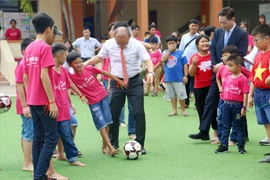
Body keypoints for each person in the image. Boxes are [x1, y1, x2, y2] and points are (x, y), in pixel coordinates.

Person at [84, 21, 154, 154]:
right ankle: (113, 143)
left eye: (124, 43)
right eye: (119, 43)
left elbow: (147, 60)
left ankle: (140, 144)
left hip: (134, 81)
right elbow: (99, 58)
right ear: (113, 36)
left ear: (130, 36)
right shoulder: (109, 45)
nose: (121, 45)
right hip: (117, 82)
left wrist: (150, 72)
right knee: (113, 113)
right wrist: (85, 63)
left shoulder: (137, 45)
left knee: (138, 112)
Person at [189, 7, 248, 141]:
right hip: (218, 74)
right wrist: (216, 65)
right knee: (210, 101)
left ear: (233, 20)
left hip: (235, 73)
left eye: (224, 22)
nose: (221, 25)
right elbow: (214, 49)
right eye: (220, 22)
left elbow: (241, 53)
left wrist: (224, 63)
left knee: (237, 104)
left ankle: (243, 134)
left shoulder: (241, 33)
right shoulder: (218, 32)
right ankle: (204, 130)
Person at [23, 13, 68, 180]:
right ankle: (40, 176)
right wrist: (52, 101)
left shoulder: (29, 48)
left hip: (33, 100)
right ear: (49, 29)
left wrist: (29, 99)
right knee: (51, 138)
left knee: (38, 138)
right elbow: (44, 76)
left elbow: (26, 77)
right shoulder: (44, 48)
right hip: (44, 101)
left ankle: (38, 174)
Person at [67, 51, 126, 156]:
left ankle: (104, 146)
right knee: (101, 124)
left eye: (80, 62)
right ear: (70, 65)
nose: (79, 64)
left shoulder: (89, 68)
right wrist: (81, 95)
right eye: (76, 63)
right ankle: (111, 147)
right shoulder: (71, 76)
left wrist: (117, 79)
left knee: (107, 122)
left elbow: (103, 73)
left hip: (103, 96)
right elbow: (71, 85)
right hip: (93, 102)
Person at [51, 42, 86, 166]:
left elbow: (68, 85)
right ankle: (46, 161)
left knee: (67, 134)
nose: (66, 58)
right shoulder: (48, 71)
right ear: (59, 56)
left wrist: (75, 99)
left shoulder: (63, 70)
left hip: (64, 108)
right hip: (52, 110)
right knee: (49, 137)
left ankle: (72, 158)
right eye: (65, 55)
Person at [215, 55, 249, 154]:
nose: (228, 68)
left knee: (239, 126)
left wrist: (244, 107)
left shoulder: (242, 79)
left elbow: (245, 94)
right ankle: (224, 145)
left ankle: (241, 146)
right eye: (227, 65)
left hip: (237, 106)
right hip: (226, 105)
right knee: (225, 126)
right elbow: (224, 92)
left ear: (239, 66)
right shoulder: (228, 78)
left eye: (231, 65)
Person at [247, 24, 270, 163]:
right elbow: (254, 77)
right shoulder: (257, 55)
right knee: (266, 123)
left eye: (257, 40)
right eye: (253, 41)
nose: (254, 43)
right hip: (259, 94)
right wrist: (250, 95)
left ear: (267, 38)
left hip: (268, 93)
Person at [15, 38, 34, 172]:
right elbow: (19, 86)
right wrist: (25, 106)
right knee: (30, 132)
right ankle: (27, 163)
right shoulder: (22, 65)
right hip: (26, 103)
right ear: (23, 51)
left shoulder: (26, 64)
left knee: (25, 131)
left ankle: (28, 160)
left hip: (26, 103)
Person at [188, 34, 213, 138]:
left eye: (206, 41)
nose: (205, 43)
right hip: (199, 86)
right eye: (202, 42)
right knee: (201, 109)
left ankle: (216, 132)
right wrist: (194, 64)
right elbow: (191, 74)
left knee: (212, 109)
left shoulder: (213, 55)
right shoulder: (194, 57)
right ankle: (204, 132)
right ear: (197, 45)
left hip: (212, 86)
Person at [161, 35, 188, 116]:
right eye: (169, 43)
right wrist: (169, 51)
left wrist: (185, 75)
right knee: (172, 95)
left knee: (181, 95)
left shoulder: (181, 53)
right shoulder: (165, 52)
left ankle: (183, 110)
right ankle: (174, 110)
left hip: (179, 78)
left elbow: (185, 64)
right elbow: (162, 60)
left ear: (177, 43)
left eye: (173, 43)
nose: (171, 45)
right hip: (169, 78)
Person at [179, 19, 200, 109]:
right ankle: (186, 103)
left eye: (196, 26)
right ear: (189, 26)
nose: (194, 27)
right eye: (192, 25)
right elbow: (181, 49)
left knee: (196, 83)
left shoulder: (199, 36)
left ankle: (197, 103)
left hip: (196, 63)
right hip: (186, 63)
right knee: (186, 83)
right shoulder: (184, 36)